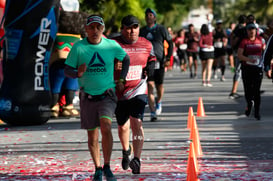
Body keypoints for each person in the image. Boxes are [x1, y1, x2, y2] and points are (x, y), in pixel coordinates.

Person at [64, 15, 130, 181]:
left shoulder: (111, 45)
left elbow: (126, 58)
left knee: (106, 127)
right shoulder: (78, 48)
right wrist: (76, 73)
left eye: (98, 27)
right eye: (91, 27)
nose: (95, 31)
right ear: (86, 29)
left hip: (107, 95)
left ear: (103, 29)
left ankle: (107, 166)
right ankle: (98, 168)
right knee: (92, 136)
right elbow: (67, 69)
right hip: (87, 96)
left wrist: (121, 78)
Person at [112, 15, 156, 174]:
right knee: (122, 126)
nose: (132, 31)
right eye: (128, 27)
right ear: (122, 28)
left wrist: (151, 66)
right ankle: (126, 151)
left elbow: (152, 58)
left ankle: (137, 159)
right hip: (119, 91)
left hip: (138, 89)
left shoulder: (146, 44)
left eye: (135, 27)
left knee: (136, 122)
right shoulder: (113, 44)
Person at [139, 8, 173, 122]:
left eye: (150, 15)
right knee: (149, 85)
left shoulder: (161, 29)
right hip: (148, 62)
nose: (148, 17)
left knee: (159, 86)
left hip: (160, 61)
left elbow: (170, 42)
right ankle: (153, 112)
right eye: (147, 15)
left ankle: (158, 101)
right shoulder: (142, 31)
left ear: (154, 17)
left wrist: (168, 58)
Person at [237, 23, 265, 120]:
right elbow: (239, 55)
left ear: (256, 30)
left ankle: (257, 111)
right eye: (249, 30)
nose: (251, 31)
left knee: (256, 91)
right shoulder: (244, 41)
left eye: (253, 29)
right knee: (248, 90)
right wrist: (249, 60)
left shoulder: (260, 40)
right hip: (247, 68)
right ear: (247, 31)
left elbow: (265, 52)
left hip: (257, 69)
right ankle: (249, 105)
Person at [229, 14, 247, 99]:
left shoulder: (236, 28)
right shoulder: (243, 29)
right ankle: (234, 91)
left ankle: (234, 91)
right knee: (241, 72)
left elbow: (232, 37)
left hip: (236, 51)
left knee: (238, 71)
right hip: (243, 52)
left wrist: (233, 46)